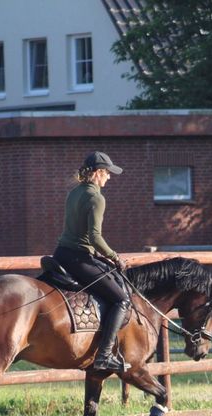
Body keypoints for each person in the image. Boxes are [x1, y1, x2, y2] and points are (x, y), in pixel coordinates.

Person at [53, 151, 131, 372]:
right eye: (107, 173)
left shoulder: (74, 192)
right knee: (121, 299)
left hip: (61, 254)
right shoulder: (96, 198)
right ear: (97, 173)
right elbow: (95, 237)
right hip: (79, 259)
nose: (109, 177)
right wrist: (115, 257)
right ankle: (105, 356)